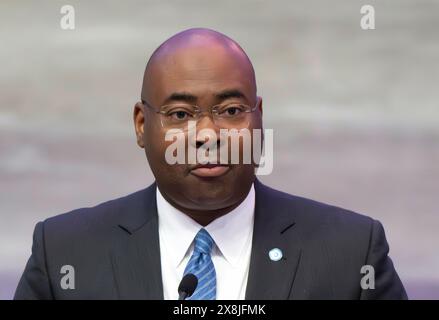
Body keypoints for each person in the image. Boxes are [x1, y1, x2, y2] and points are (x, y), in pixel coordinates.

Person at [14, 28, 407, 300]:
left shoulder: (351, 254)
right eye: (181, 114)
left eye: (232, 110)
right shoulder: (65, 253)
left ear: (259, 117)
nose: (207, 133)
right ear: (140, 125)